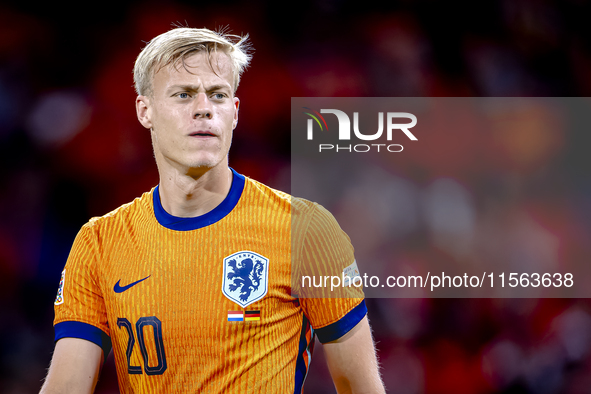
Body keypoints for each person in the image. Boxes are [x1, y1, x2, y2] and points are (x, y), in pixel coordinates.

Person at [40, 27, 385, 394]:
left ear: (234, 113)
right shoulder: (99, 243)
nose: (204, 108)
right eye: (184, 95)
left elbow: (360, 386)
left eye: (217, 95)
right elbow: (67, 384)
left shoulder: (304, 229)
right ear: (145, 111)